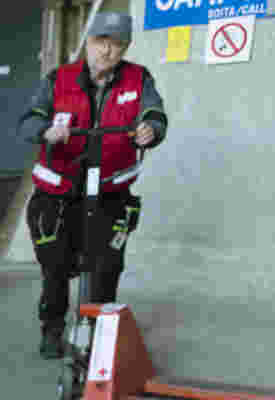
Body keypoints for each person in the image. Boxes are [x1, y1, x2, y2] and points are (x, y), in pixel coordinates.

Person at [18, 11, 167, 358]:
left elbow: (154, 113)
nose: (108, 52)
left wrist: (151, 129)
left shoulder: (138, 79)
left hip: (110, 195)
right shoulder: (58, 80)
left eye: (117, 45)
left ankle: (99, 335)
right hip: (58, 195)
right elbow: (27, 122)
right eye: (101, 42)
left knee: (106, 269)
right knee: (55, 269)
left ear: (125, 48)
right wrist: (46, 132)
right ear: (88, 43)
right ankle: (52, 329)